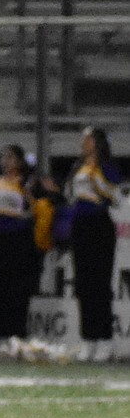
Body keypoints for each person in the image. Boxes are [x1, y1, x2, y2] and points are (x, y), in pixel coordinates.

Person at [67, 126, 122, 361]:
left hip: (100, 224)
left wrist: (96, 180)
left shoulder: (107, 168)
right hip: (80, 225)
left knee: (100, 281)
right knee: (83, 283)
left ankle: (105, 339)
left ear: (97, 143)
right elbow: (72, 195)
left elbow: (114, 197)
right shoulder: (77, 167)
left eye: (88, 138)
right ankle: (88, 338)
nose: (84, 142)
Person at [0, 144, 38, 344]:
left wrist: (23, 215)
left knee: (17, 286)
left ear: (19, 162)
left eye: (11, 158)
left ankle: (17, 333)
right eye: (3, 157)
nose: (6, 161)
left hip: (19, 238)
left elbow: (36, 209)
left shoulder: (25, 183)